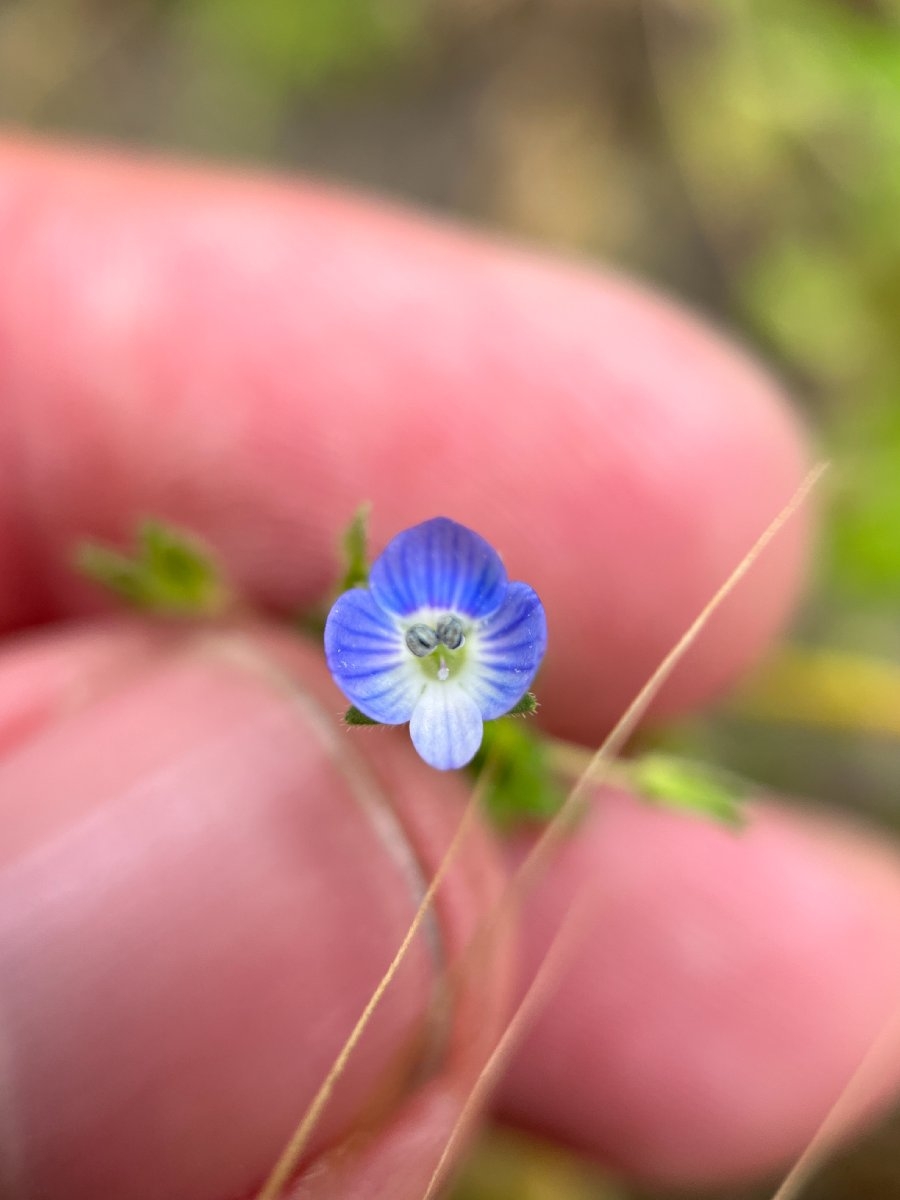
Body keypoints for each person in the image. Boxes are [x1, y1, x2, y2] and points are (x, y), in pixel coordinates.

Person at [1, 136, 898, 1200]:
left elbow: (467, 675)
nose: (437, 647)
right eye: (426, 642)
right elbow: (396, 667)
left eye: (449, 646)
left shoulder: (460, 672)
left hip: (443, 701)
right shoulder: (397, 657)